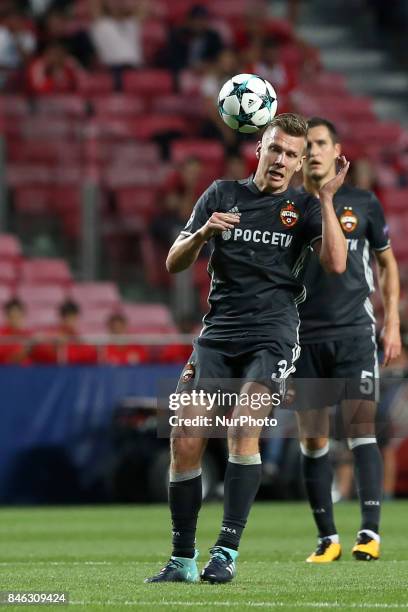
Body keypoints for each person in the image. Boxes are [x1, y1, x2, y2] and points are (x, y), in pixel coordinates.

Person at [145, 113, 348, 584]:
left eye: (291, 155)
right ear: (260, 147)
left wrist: (328, 197)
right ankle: (181, 559)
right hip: (217, 335)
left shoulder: (306, 206)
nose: (281, 160)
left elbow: (336, 263)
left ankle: (227, 551)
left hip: (272, 335)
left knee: (242, 429)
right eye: (275, 149)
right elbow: (175, 262)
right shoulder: (220, 194)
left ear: (300, 164)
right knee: (185, 435)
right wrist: (202, 234)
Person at [294, 117, 401, 563]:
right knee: (314, 441)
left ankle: (369, 534)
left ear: (337, 150)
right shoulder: (287, 206)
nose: (314, 150)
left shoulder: (363, 203)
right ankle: (327, 540)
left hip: (355, 335)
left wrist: (391, 321)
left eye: (321, 143)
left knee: (361, 433)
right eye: (308, 145)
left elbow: (387, 264)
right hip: (304, 338)